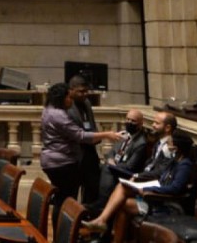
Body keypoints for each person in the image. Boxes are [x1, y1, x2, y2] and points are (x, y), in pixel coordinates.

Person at [82, 133, 196, 235]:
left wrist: (148, 188)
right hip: (155, 198)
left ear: (176, 148)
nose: (167, 144)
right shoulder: (174, 161)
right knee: (122, 188)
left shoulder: (184, 166)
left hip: (165, 204)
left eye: (169, 143)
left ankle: (103, 225)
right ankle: (103, 223)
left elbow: (175, 188)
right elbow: (162, 179)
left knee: (123, 203)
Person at [39, 82, 123, 219]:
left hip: (51, 161)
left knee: (61, 199)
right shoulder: (59, 115)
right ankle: (63, 236)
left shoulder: (48, 109)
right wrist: (107, 134)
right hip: (62, 163)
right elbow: (80, 136)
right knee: (65, 201)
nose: (71, 101)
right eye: (69, 98)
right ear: (62, 98)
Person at [87, 109, 150, 213]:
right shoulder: (124, 135)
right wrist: (111, 160)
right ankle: (90, 202)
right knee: (93, 168)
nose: (129, 123)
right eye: (127, 119)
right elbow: (112, 152)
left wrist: (115, 165)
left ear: (140, 124)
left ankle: (102, 204)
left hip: (128, 173)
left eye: (133, 121)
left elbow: (131, 166)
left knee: (107, 169)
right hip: (115, 166)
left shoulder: (141, 143)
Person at [66, 75, 102, 204]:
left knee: (92, 188)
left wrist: (96, 135)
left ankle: (87, 216)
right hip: (74, 154)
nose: (85, 94)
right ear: (71, 90)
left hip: (89, 152)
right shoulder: (67, 106)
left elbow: (91, 123)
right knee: (72, 192)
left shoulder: (86, 103)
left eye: (86, 91)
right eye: (81, 91)